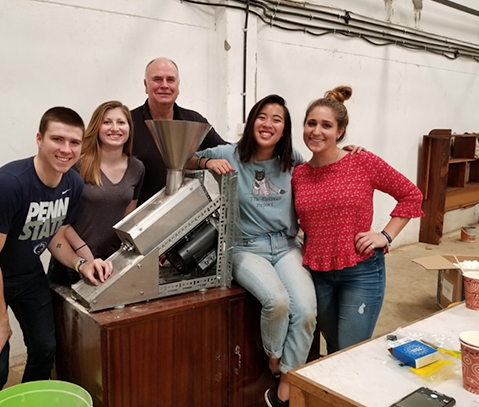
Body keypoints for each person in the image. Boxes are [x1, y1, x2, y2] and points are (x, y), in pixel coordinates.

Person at [0, 107, 113, 407]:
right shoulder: (8, 184)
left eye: (74, 142)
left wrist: (82, 263)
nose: (66, 149)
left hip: (28, 273)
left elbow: (55, 235)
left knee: (45, 350)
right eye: (57, 139)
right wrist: (0, 321)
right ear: (39, 139)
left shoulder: (73, 184)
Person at [188, 94, 316, 407]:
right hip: (245, 248)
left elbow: (323, 166)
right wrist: (206, 162)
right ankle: (275, 359)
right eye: (262, 116)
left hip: (286, 246)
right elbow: (184, 158)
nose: (268, 124)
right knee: (277, 301)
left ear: (284, 130)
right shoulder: (229, 153)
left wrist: (351, 154)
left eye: (277, 119)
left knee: (307, 312)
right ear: (252, 121)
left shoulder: (292, 158)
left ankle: (285, 383)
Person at [291, 86, 424, 355]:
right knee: (334, 349)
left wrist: (385, 236)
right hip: (318, 273)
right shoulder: (298, 174)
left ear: (340, 132)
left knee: (350, 352)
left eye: (326, 125)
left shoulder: (361, 161)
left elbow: (411, 195)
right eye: (311, 123)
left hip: (361, 271)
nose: (317, 131)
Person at [48, 101, 145, 284]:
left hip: (110, 264)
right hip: (72, 262)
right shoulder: (77, 166)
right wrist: (86, 257)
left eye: (121, 122)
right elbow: (61, 223)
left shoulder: (137, 168)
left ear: (130, 129)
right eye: (107, 122)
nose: (114, 128)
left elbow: (129, 217)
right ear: (97, 127)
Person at [132, 57, 227, 204]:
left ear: (178, 85)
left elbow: (227, 151)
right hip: (141, 218)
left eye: (170, 80)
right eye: (157, 79)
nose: (164, 85)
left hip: (190, 217)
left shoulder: (195, 121)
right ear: (146, 85)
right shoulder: (127, 123)